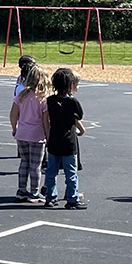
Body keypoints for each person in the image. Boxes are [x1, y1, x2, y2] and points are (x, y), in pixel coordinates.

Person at [43, 68, 86, 209]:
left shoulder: (50, 101)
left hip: (54, 140)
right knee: (71, 173)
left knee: (51, 172)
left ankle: (50, 197)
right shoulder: (73, 103)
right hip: (69, 142)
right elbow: (78, 116)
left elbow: (47, 120)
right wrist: (81, 128)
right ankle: (72, 198)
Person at [10, 65, 51, 202]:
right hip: (36, 134)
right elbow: (46, 120)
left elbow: (13, 114)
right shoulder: (43, 98)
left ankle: (21, 189)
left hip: (22, 133)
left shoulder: (21, 95)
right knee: (36, 165)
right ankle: (34, 191)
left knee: (24, 163)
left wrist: (14, 128)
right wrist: (48, 134)